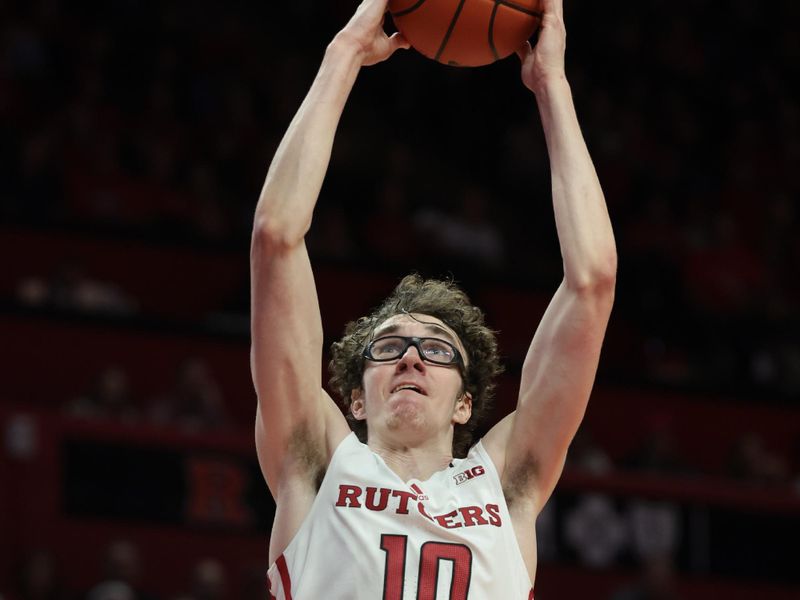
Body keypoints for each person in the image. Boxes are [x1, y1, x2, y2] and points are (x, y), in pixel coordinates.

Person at [250, 0, 616, 597]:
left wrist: (553, 87)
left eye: (437, 351)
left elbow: (594, 280)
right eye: (389, 347)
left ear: (465, 405)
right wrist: (342, 55)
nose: (412, 358)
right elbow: (275, 237)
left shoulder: (504, 486)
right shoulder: (316, 465)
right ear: (355, 402)